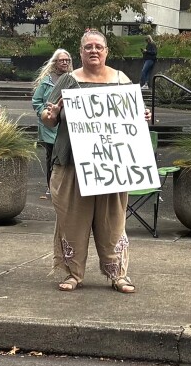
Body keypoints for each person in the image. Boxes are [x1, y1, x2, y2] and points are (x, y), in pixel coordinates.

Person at [40, 30, 150, 294]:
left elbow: (135, 114)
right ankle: (72, 273)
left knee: (113, 220)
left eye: (98, 47)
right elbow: (47, 117)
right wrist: (51, 114)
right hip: (72, 163)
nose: (93, 51)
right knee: (72, 219)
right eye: (88, 47)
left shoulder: (121, 80)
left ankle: (118, 274)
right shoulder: (68, 81)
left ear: (106, 51)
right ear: (80, 52)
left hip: (111, 163)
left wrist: (144, 115)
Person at [31, 48, 72, 195]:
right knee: (51, 156)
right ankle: (50, 185)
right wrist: (45, 113)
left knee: (66, 156)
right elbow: (36, 101)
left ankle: (64, 186)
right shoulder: (47, 81)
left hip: (66, 125)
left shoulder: (73, 79)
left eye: (67, 60)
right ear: (55, 62)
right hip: (49, 126)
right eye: (62, 60)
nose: (65, 63)